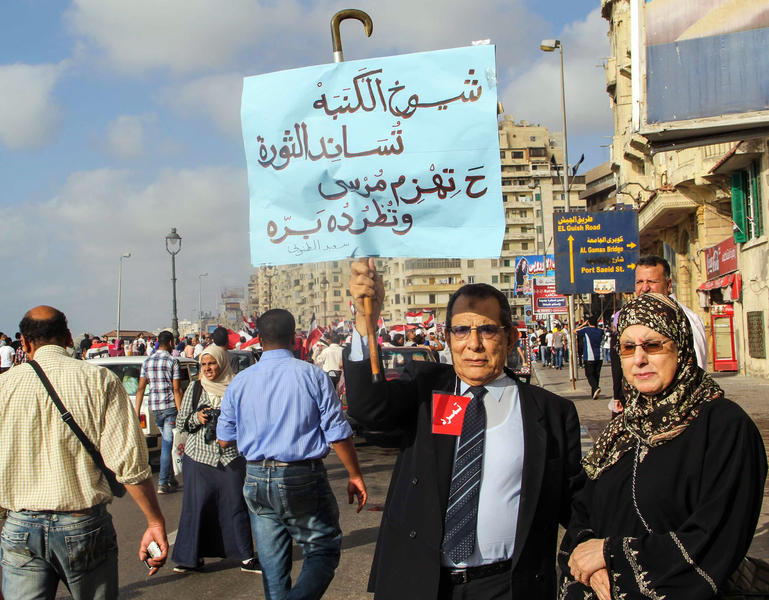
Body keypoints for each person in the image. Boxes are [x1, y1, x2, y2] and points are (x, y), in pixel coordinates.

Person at [344, 258, 582, 600]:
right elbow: (369, 408)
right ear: (447, 337)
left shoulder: (551, 412)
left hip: (508, 586)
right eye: (461, 330)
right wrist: (365, 320)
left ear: (510, 337)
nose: (474, 344)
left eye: (486, 329)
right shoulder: (424, 391)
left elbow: (577, 504)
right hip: (422, 583)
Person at [559, 293, 766, 600]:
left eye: (653, 345)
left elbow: (715, 535)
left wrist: (609, 555)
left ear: (680, 347)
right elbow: (583, 510)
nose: (639, 359)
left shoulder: (723, 426)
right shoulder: (622, 429)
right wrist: (589, 560)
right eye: (628, 348)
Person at [0, 306, 169, 599]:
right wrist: (154, 521)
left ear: (25, 344)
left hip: (19, 527)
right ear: (68, 338)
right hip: (83, 524)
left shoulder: (4, 387)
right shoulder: (98, 380)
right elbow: (128, 463)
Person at [217, 308, 368, 600]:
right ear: (294, 337)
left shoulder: (240, 382)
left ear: (259, 339)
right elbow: (338, 433)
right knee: (322, 550)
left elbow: (224, 440)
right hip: (302, 476)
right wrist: (355, 474)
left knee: (274, 570)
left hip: (257, 477)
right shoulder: (312, 376)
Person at [172, 345, 260, 574]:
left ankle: (245, 557)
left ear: (222, 363)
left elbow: (251, 418)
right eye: (204, 364)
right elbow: (181, 424)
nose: (208, 369)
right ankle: (191, 557)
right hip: (198, 457)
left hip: (231, 456)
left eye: (212, 363)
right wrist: (197, 417)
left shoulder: (237, 386)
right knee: (196, 507)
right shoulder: (195, 388)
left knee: (236, 505)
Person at [635, 254, 707, 369]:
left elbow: (696, 366)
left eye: (651, 282)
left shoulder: (684, 318)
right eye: (639, 282)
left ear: (668, 285)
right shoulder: (640, 317)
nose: (644, 288)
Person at [135, 330, 182, 494]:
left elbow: (141, 388)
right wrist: (181, 412)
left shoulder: (147, 361)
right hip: (169, 408)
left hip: (155, 408)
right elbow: (176, 389)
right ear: (170, 343)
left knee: (166, 442)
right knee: (167, 444)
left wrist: (136, 410)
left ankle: (170, 479)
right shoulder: (172, 362)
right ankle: (162, 482)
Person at [575, 317, 604, 399]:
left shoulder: (586, 330)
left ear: (588, 323)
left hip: (589, 356)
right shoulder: (600, 331)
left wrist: (583, 325)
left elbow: (574, 331)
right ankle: (594, 393)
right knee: (596, 375)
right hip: (599, 356)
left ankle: (596, 388)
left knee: (589, 375)